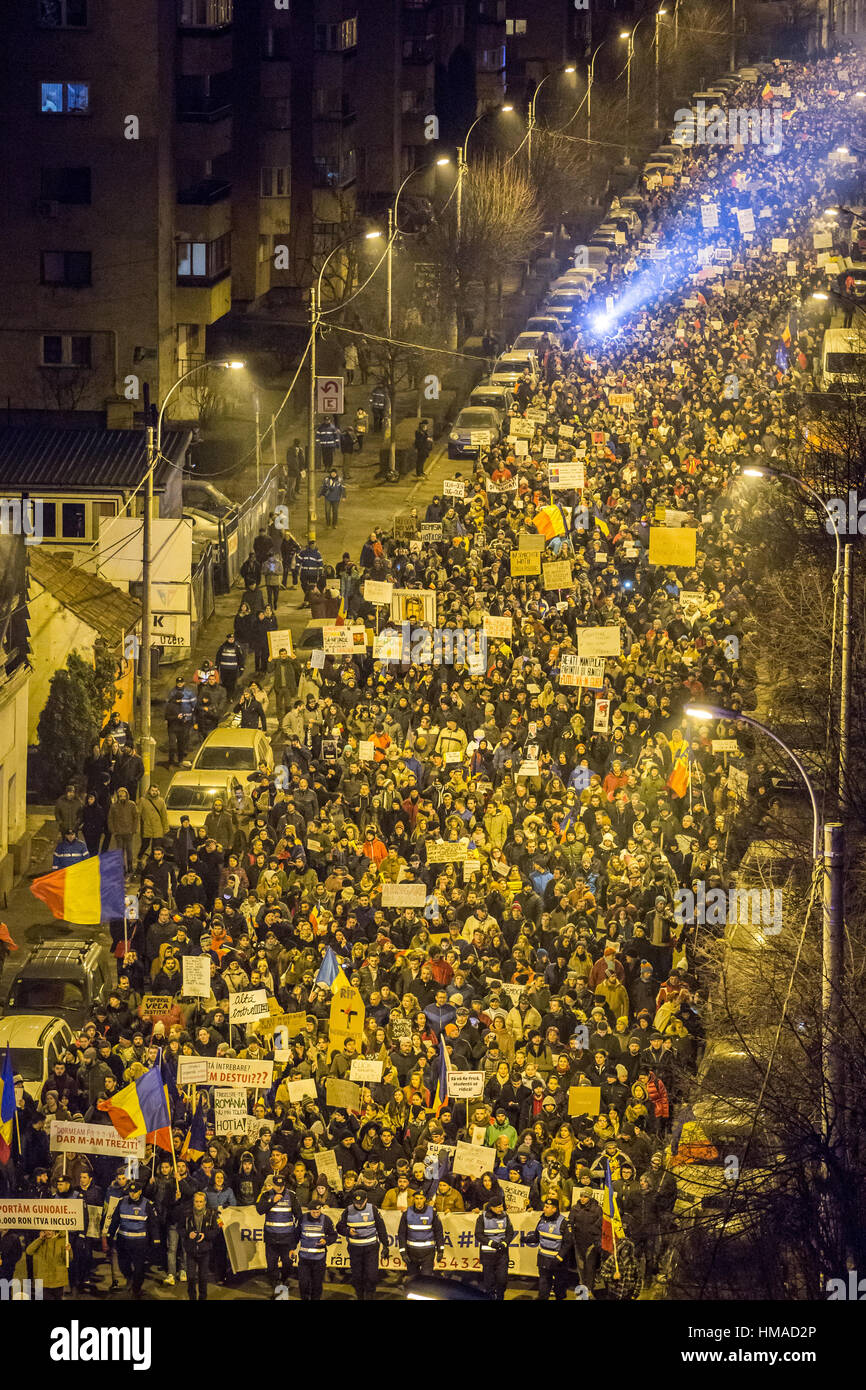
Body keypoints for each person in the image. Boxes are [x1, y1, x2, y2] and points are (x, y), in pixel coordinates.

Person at [336, 1187, 388, 1300]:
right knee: (357, 1275)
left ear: (366, 1200)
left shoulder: (373, 1209)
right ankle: (360, 1295)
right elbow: (339, 1227)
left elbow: (381, 1228)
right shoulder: (348, 1210)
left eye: (361, 1203)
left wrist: (386, 1245)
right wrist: (347, 1231)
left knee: (372, 1275)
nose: (358, 1205)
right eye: (356, 1203)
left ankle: (370, 1295)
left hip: (371, 1247)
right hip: (355, 1248)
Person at [107, 1176, 156, 1296]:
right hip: (123, 1241)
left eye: (135, 1192)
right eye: (130, 1192)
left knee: (139, 1267)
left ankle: (136, 1288)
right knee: (123, 1265)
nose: (132, 1194)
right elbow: (115, 1220)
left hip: (139, 1242)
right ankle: (129, 1278)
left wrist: (155, 1240)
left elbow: (153, 1224)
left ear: (140, 1192)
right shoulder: (121, 1202)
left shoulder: (147, 1204)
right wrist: (110, 1235)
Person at [256, 1173, 301, 1295]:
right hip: (271, 1238)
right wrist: (271, 1201)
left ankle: (284, 1279)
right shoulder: (266, 1195)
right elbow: (259, 1210)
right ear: (273, 1185)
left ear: (284, 1184)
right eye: (277, 1185)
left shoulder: (291, 1196)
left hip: (287, 1238)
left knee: (288, 1263)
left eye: (281, 1186)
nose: (279, 1188)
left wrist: (295, 1234)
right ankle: (276, 1282)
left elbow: (299, 1215)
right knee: (271, 1265)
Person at [289, 1197, 337, 1300]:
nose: (316, 1214)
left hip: (319, 1259)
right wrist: (292, 1249)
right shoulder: (302, 1218)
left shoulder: (326, 1220)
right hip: (304, 1258)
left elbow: (333, 1235)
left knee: (317, 1284)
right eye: (314, 1212)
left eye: (318, 1211)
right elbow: (296, 1235)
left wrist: (326, 1241)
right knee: (303, 1283)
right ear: (309, 1210)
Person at [528, 1196, 570, 1301]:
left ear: (554, 1209)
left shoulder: (563, 1222)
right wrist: (525, 1239)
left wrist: (560, 1257)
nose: (544, 1209)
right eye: (544, 1206)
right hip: (543, 1260)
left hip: (558, 1262)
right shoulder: (541, 1220)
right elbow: (537, 1237)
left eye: (547, 1207)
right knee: (543, 1288)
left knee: (559, 1289)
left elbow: (568, 1243)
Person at [397, 1188, 444, 1279]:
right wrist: (403, 1252)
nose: (419, 1201)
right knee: (413, 1279)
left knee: (426, 1280)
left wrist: (440, 1250)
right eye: (417, 1198)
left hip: (428, 1253)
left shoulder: (432, 1213)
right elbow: (401, 1234)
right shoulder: (406, 1213)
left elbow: (438, 1232)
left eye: (421, 1198)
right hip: (411, 1253)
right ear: (414, 1199)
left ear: (425, 1199)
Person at [183, 1189, 220, 1301]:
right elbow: (179, 1228)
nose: (198, 1204)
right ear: (193, 1202)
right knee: (190, 1277)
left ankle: (203, 1297)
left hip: (205, 1250)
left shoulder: (212, 1214)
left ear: (205, 1202)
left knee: (203, 1278)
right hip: (191, 1250)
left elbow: (217, 1230)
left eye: (201, 1201)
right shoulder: (186, 1214)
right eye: (196, 1201)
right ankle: (192, 1297)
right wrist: (188, 1234)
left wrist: (205, 1235)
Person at [474, 1198, 513, 1300]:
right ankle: (491, 1297)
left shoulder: (505, 1216)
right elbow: (478, 1234)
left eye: (502, 1206)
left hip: (502, 1254)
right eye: (499, 1207)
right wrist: (491, 1243)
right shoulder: (482, 1217)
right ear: (492, 1208)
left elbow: (510, 1232)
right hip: (487, 1254)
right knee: (489, 1281)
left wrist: (504, 1243)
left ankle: (500, 1297)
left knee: (502, 1279)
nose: (502, 1209)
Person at [164, 677, 195, 766]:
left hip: (183, 724)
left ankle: (180, 759)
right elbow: (167, 715)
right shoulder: (171, 703)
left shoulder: (188, 693)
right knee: (173, 745)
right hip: (173, 727)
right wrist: (177, 717)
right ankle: (172, 761)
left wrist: (188, 718)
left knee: (183, 742)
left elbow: (193, 706)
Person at [215, 634, 245, 698]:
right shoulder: (222, 647)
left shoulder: (237, 647)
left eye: (232, 639)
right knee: (224, 683)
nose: (231, 640)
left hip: (233, 669)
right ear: (227, 639)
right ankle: (224, 696)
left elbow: (240, 658)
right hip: (224, 669)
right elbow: (218, 657)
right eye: (230, 639)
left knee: (232, 684)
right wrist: (216, 666)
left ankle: (230, 696)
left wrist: (241, 667)